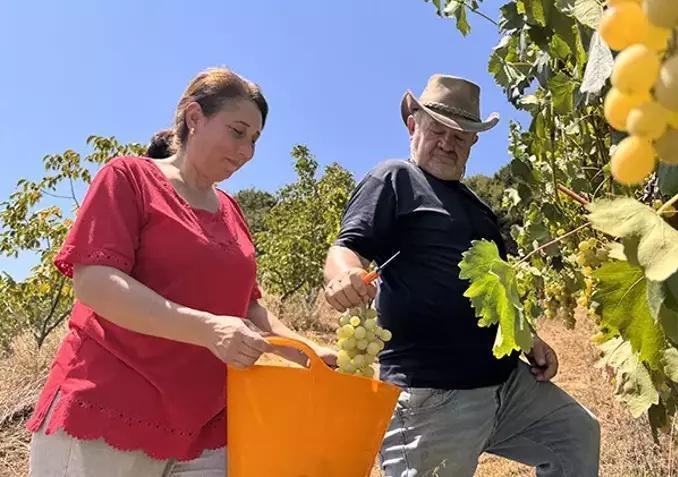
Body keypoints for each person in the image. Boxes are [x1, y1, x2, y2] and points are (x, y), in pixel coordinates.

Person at [27, 67, 336, 477]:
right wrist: (208, 328)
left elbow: (250, 307)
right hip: (109, 411)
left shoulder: (232, 213)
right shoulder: (129, 178)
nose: (247, 151)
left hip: (206, 429)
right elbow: (96, 283)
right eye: (238, 132)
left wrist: (304, 352)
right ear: (194, 117)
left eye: (255, 140)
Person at [323, 74, 600, 477]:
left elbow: (495, 293)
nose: (448, 143)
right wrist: (344, 275)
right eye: (438, 130)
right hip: (434, 395)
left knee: (576, 435)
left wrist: (529, 337)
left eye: (461, 135)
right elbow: (345, 248)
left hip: (506, 385)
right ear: (413, 124)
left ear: (473, 142)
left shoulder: (480, 211)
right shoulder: (395, 179)